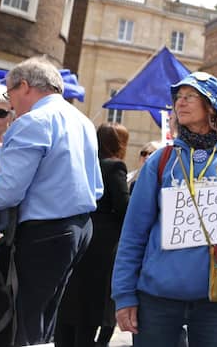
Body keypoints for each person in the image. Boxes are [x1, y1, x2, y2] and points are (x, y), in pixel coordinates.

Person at [111, 72, 217, 346]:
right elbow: (133, 233)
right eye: (178, 98)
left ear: (211, 105)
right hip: (158, 300)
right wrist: (124, 295)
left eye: (190, 96)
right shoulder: (161, 160)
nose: (180, 103)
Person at [0, 56, 103, 345]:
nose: (10, 104)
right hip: (78, 228)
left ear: (24, 86)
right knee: (45, 320)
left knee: (23, 320)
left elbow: (9, 192)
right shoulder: (81, 120)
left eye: (10, 94)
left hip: (45, 231)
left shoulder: (33, 121)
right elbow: (95, 186)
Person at [56, 123, 131, 347]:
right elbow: (124, 206)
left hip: (76, 232)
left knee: (70, 300)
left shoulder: (82, 163)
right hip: (102, 243)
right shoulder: (115, 166)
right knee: (92, 303)